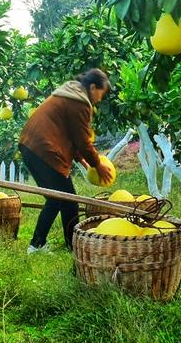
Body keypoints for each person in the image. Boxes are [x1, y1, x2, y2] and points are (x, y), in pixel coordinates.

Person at [19, 68, 115, 253]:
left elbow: (69, 134)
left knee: (56, 199)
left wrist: (82, 161)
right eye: (101, 94)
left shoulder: (70, 94)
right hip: (45, 149)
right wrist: (97, 165)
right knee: (68, 200)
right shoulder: (79, 103)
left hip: (31, 146)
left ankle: (42, 244)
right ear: (93, 87)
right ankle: (66, 245)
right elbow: (81, 140)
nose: (100, 99)